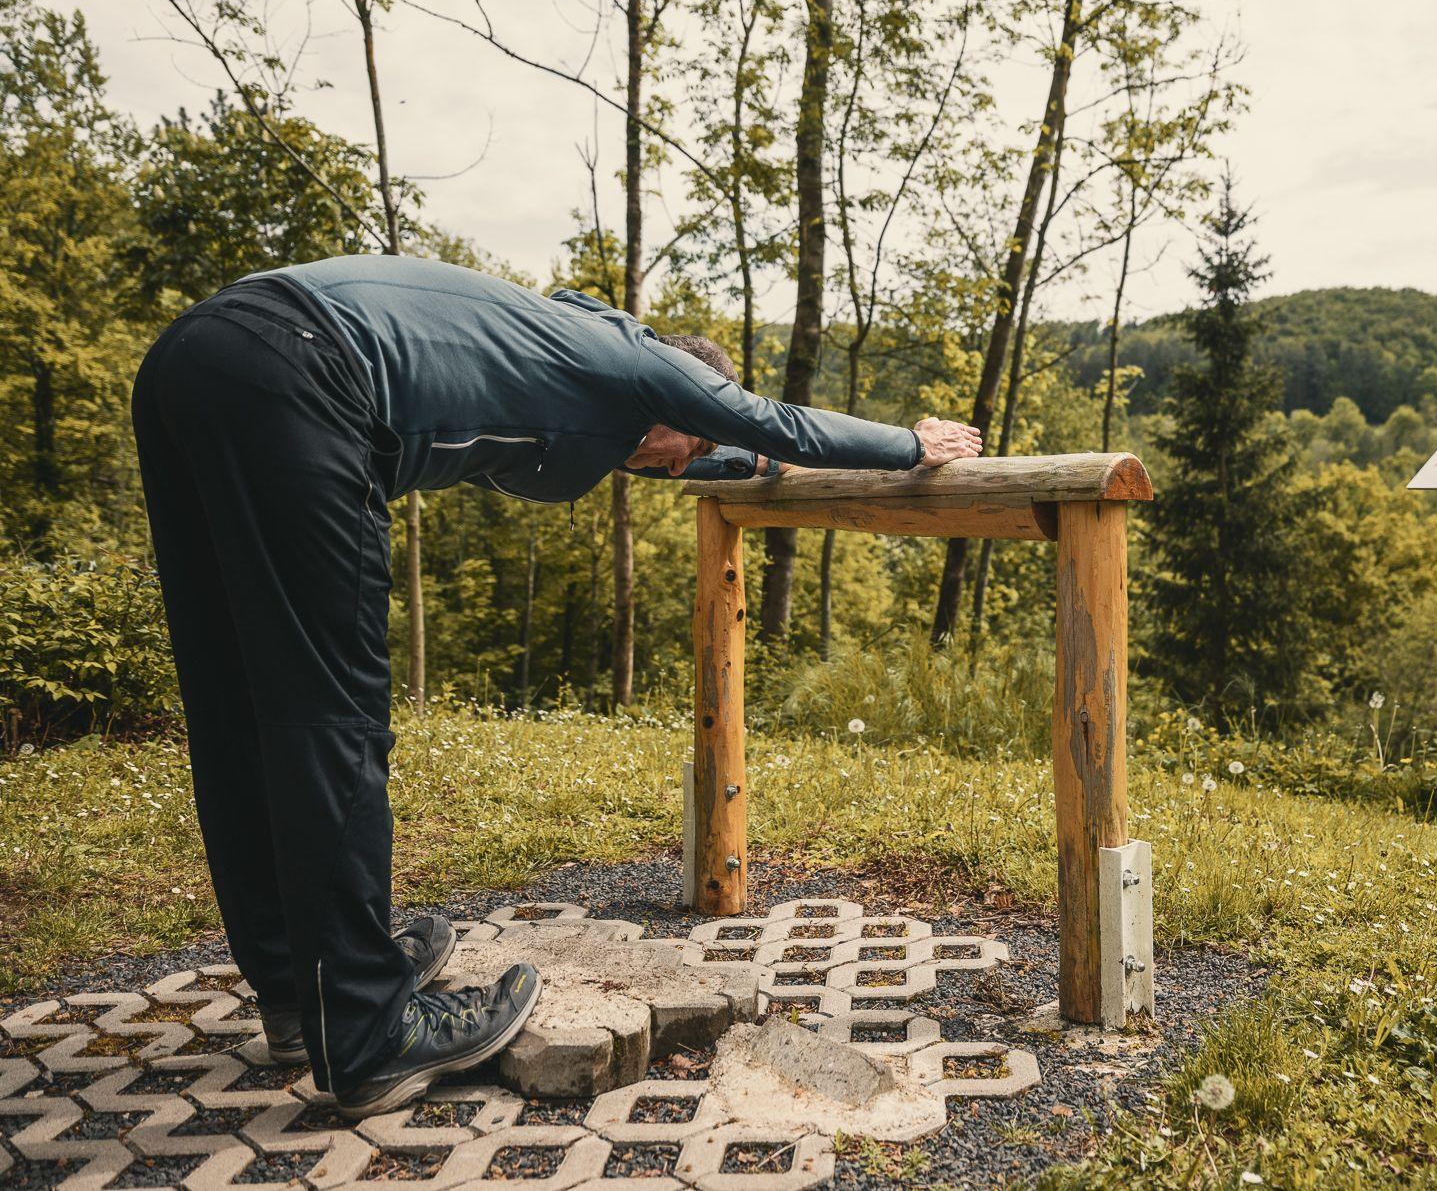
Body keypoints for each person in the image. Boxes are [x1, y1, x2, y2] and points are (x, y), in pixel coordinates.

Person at [129, 254, 982, 1118]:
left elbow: (721, 449)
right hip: (305, 371)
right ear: (684, 397)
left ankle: (296, 986)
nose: (655, 467)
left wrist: (726, 458)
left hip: (199, 355)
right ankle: (368, 1030)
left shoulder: (570, 350)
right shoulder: (642, 363)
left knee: (237, 704)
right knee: (332, 719)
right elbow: (769, 422)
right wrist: (908, 445)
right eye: (677, 444)